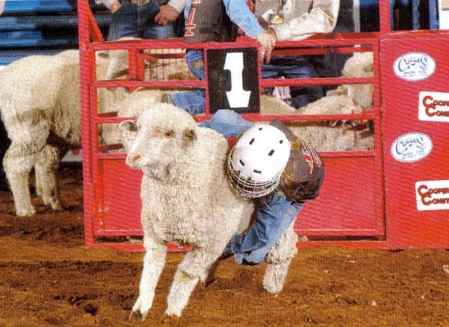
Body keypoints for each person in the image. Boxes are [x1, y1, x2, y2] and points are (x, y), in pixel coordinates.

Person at [167, 0, 339, 113]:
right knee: (234, 100)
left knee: (313, 112)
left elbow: (324, 17)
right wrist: (263, 32)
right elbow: (238, 9)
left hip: (300, 53)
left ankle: (176, 103)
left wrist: (274, 31)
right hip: (256, 51)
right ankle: (177, 103)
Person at [223, 118, 325, 265]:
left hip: (297, 188)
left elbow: (262, 235)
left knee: (254, 256)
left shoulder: (282, 190)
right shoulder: (265, 135)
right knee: (223, 119)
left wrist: (228, 245)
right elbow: (223, 121)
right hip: (289, 164)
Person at [163, 0, 277, 115]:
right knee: (232, 96)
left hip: (198, 50)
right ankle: (178, 103)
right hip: (208, 52)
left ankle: (177, 102)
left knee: (228, 90)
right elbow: (235, 8)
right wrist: (259, 33)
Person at [255, 0, 340, 108]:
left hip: (305, 53)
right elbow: (262, 15)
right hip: (266, 50)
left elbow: (324, 17)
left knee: (311, 117)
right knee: (253, 113)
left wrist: (278, 32)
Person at [98, 0, 186, 41]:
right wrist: (111, 3)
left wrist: (175, 6)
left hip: (161, 13)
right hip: (123, 12)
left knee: (165, 67)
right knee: (117, 69)